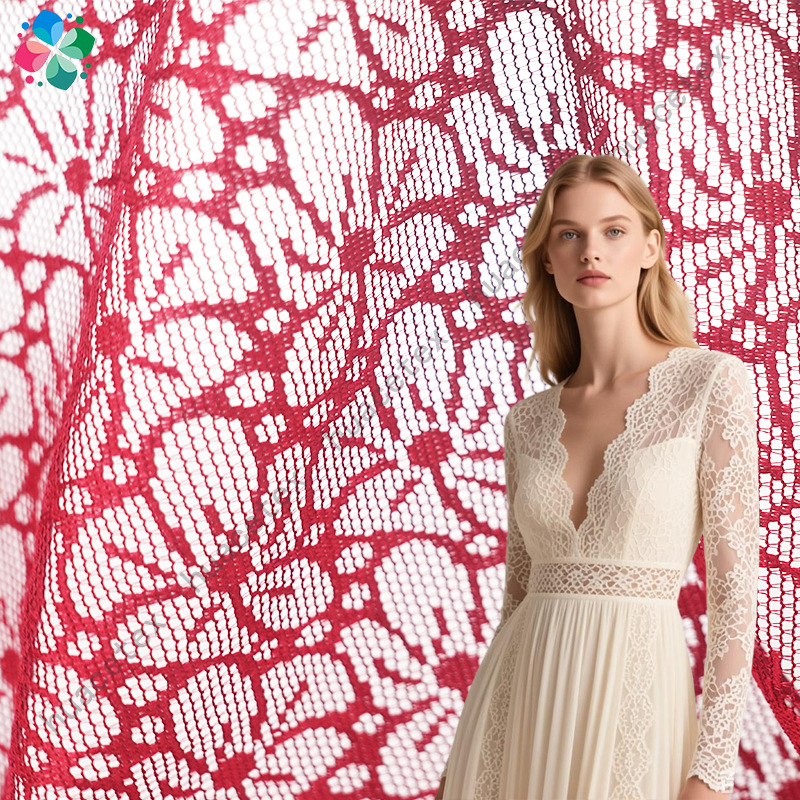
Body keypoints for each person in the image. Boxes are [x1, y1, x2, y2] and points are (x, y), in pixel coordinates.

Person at [435, 154, 759, 800]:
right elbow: (518, 596)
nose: (591, 250)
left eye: (613, 230)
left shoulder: (711, 384)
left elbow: (735, 595)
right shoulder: (527, 421)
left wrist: (711, 772)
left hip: (636, 694)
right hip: (518, 705)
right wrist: (461, 766)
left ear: (650, 249)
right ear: (548, 261)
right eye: (569, 234)